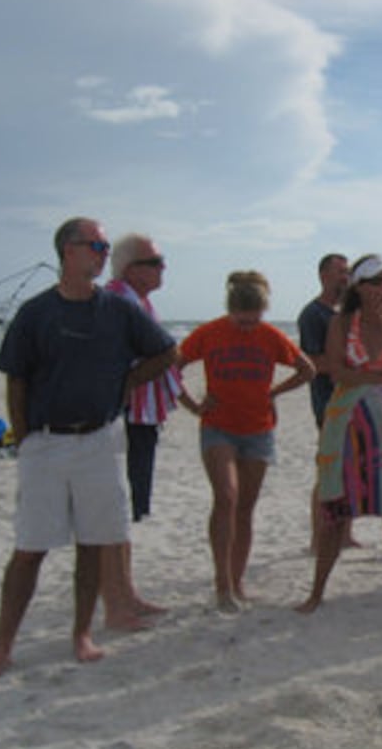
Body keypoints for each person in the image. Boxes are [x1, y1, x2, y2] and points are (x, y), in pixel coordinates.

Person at [0, 217, 177, 677]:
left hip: (101, 441)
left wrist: (127, 382)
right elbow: (16, 380)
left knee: (94, 542)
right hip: (46, 443)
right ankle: (2, 647)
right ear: (69, 250)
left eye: (106, 247)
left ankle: (81, 634)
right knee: (30, 548)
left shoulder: (118, 310)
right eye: (97, 246)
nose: (104, 254)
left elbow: (166, 351)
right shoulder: (36, 313)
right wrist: (24, 439)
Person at [179, 271, 316, 613]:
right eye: (241, 321)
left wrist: (274, 392)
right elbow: (170, 368)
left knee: (245, 509)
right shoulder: (209, 333)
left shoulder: (270, 336)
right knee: (226, 497)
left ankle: (237, 581)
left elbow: (307, 370)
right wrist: (194, 406)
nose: (246, 327)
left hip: (258, 430)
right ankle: (222, 585)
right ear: (230, 311)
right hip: (218, 427)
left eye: (253, 321)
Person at [297, 255, 382, 612]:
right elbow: (336, 371)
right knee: (335, 508)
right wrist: (379, 377)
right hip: (346, 421)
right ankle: (316, 593)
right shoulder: (341, 322)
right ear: (359, 287)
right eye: (377, 282)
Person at [99, 232, 184, 630]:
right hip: (125, 416)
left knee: (125, 507)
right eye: (155, 261)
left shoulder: (137, 301)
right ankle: (116, 599)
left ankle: (125, 591)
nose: (163, 267)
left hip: (140, 416)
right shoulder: (116, 300)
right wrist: (130, 381)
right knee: (113, 510)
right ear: (130, 268)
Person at [297, 253, 360, 553]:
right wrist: (345, 366)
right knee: (328, 471)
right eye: (339, 272)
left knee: (350, 469)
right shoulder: (313, 314)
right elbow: (311, 362)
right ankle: (317, 537)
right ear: (323, 275)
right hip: (328, 403)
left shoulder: (350, 312)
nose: (345, 277)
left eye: (347, 272)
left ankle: (345, 534)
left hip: (354, 402)